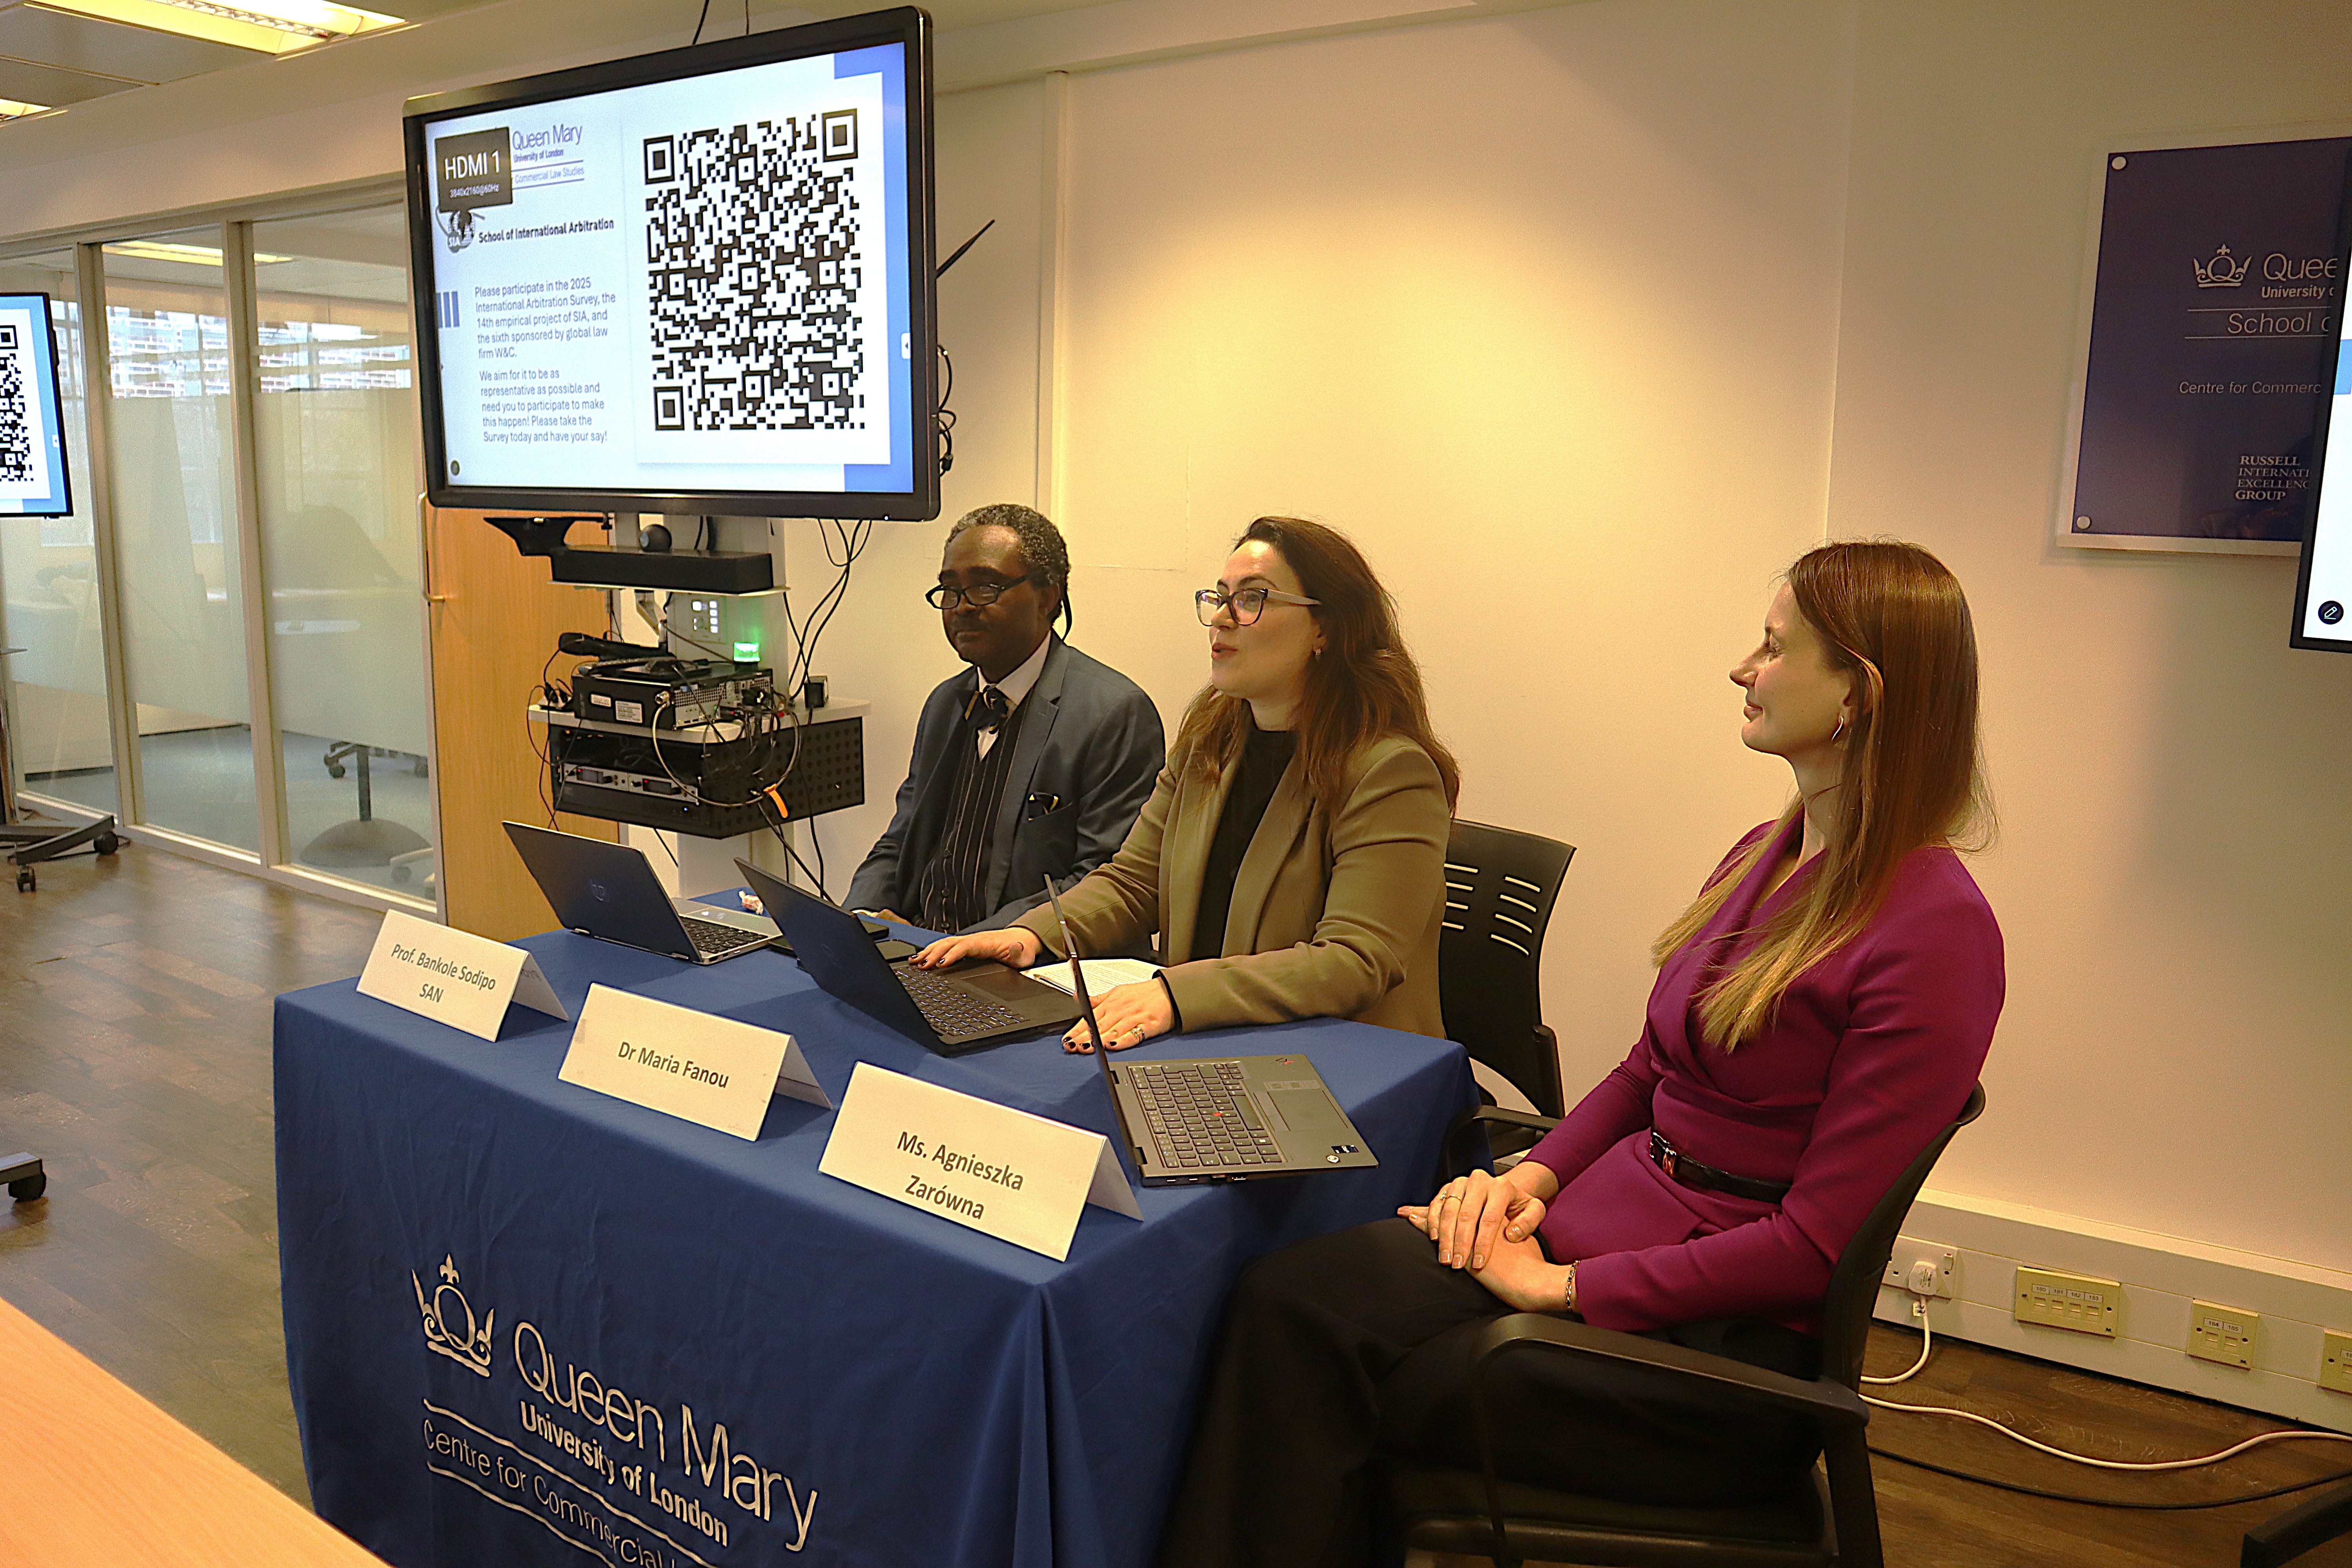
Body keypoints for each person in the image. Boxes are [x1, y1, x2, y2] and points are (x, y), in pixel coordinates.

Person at [1156, 539, 2005, 1568]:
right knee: (1287, 1301)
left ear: (1858, 695)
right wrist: (1530, 1180)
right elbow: (1650, 1072)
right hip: (1600, 1242)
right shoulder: (1765, 852)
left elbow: (1811, 1247)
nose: (1744, 669)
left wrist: (1559, 1292)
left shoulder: (1937, 931)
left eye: (1775, 649)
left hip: (1708, 1360)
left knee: (1336, 1361)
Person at [915, 516, 1457, 1050]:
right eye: (1219, 598)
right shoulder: (1211, 741)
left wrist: (1175, 995)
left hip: (1340, 1062)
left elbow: (1354, 962)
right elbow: (1133, 884)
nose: (1221, 619)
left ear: (1326, 628)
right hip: (1207, 1037)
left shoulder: (1391, 772)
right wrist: (1033, 934)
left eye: (1252, 599)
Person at [846, 504, 1164, 933]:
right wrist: (859, 919)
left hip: (1025, 969)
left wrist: (964, 947)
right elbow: (901, 841)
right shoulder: (945, 703)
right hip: (921, 951)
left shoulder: (1114, 713)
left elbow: (1102, 883)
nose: (960, 608)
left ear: (1047, 596)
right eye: (950, 591)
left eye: (985, 588)